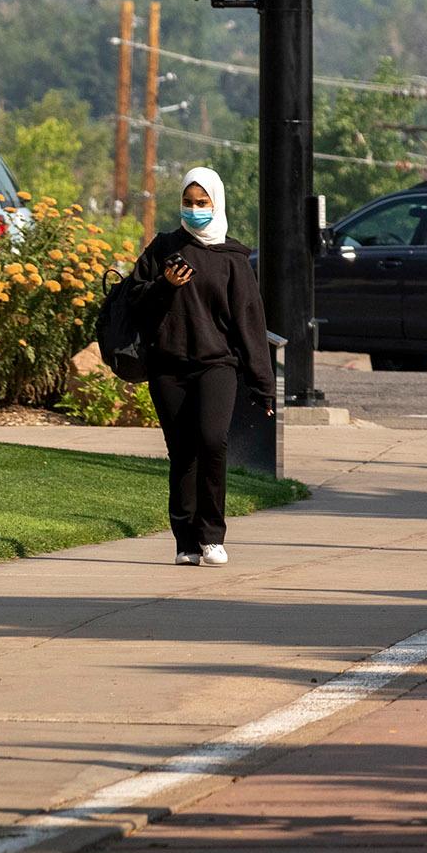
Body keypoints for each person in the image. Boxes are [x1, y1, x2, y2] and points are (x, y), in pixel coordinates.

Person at [121, 166, 273, 565]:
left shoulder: (233, 259)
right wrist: (163, 285)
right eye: (188, 203)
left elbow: (250, 324)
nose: (193, 210)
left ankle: (212, 536)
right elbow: (132, 299)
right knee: (182, 452)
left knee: (211, 441)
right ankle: (185, 541)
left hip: (216, 365)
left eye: (201, 203)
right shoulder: (163, 249)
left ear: (216, 204)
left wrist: (263, 384)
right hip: (168, 366)